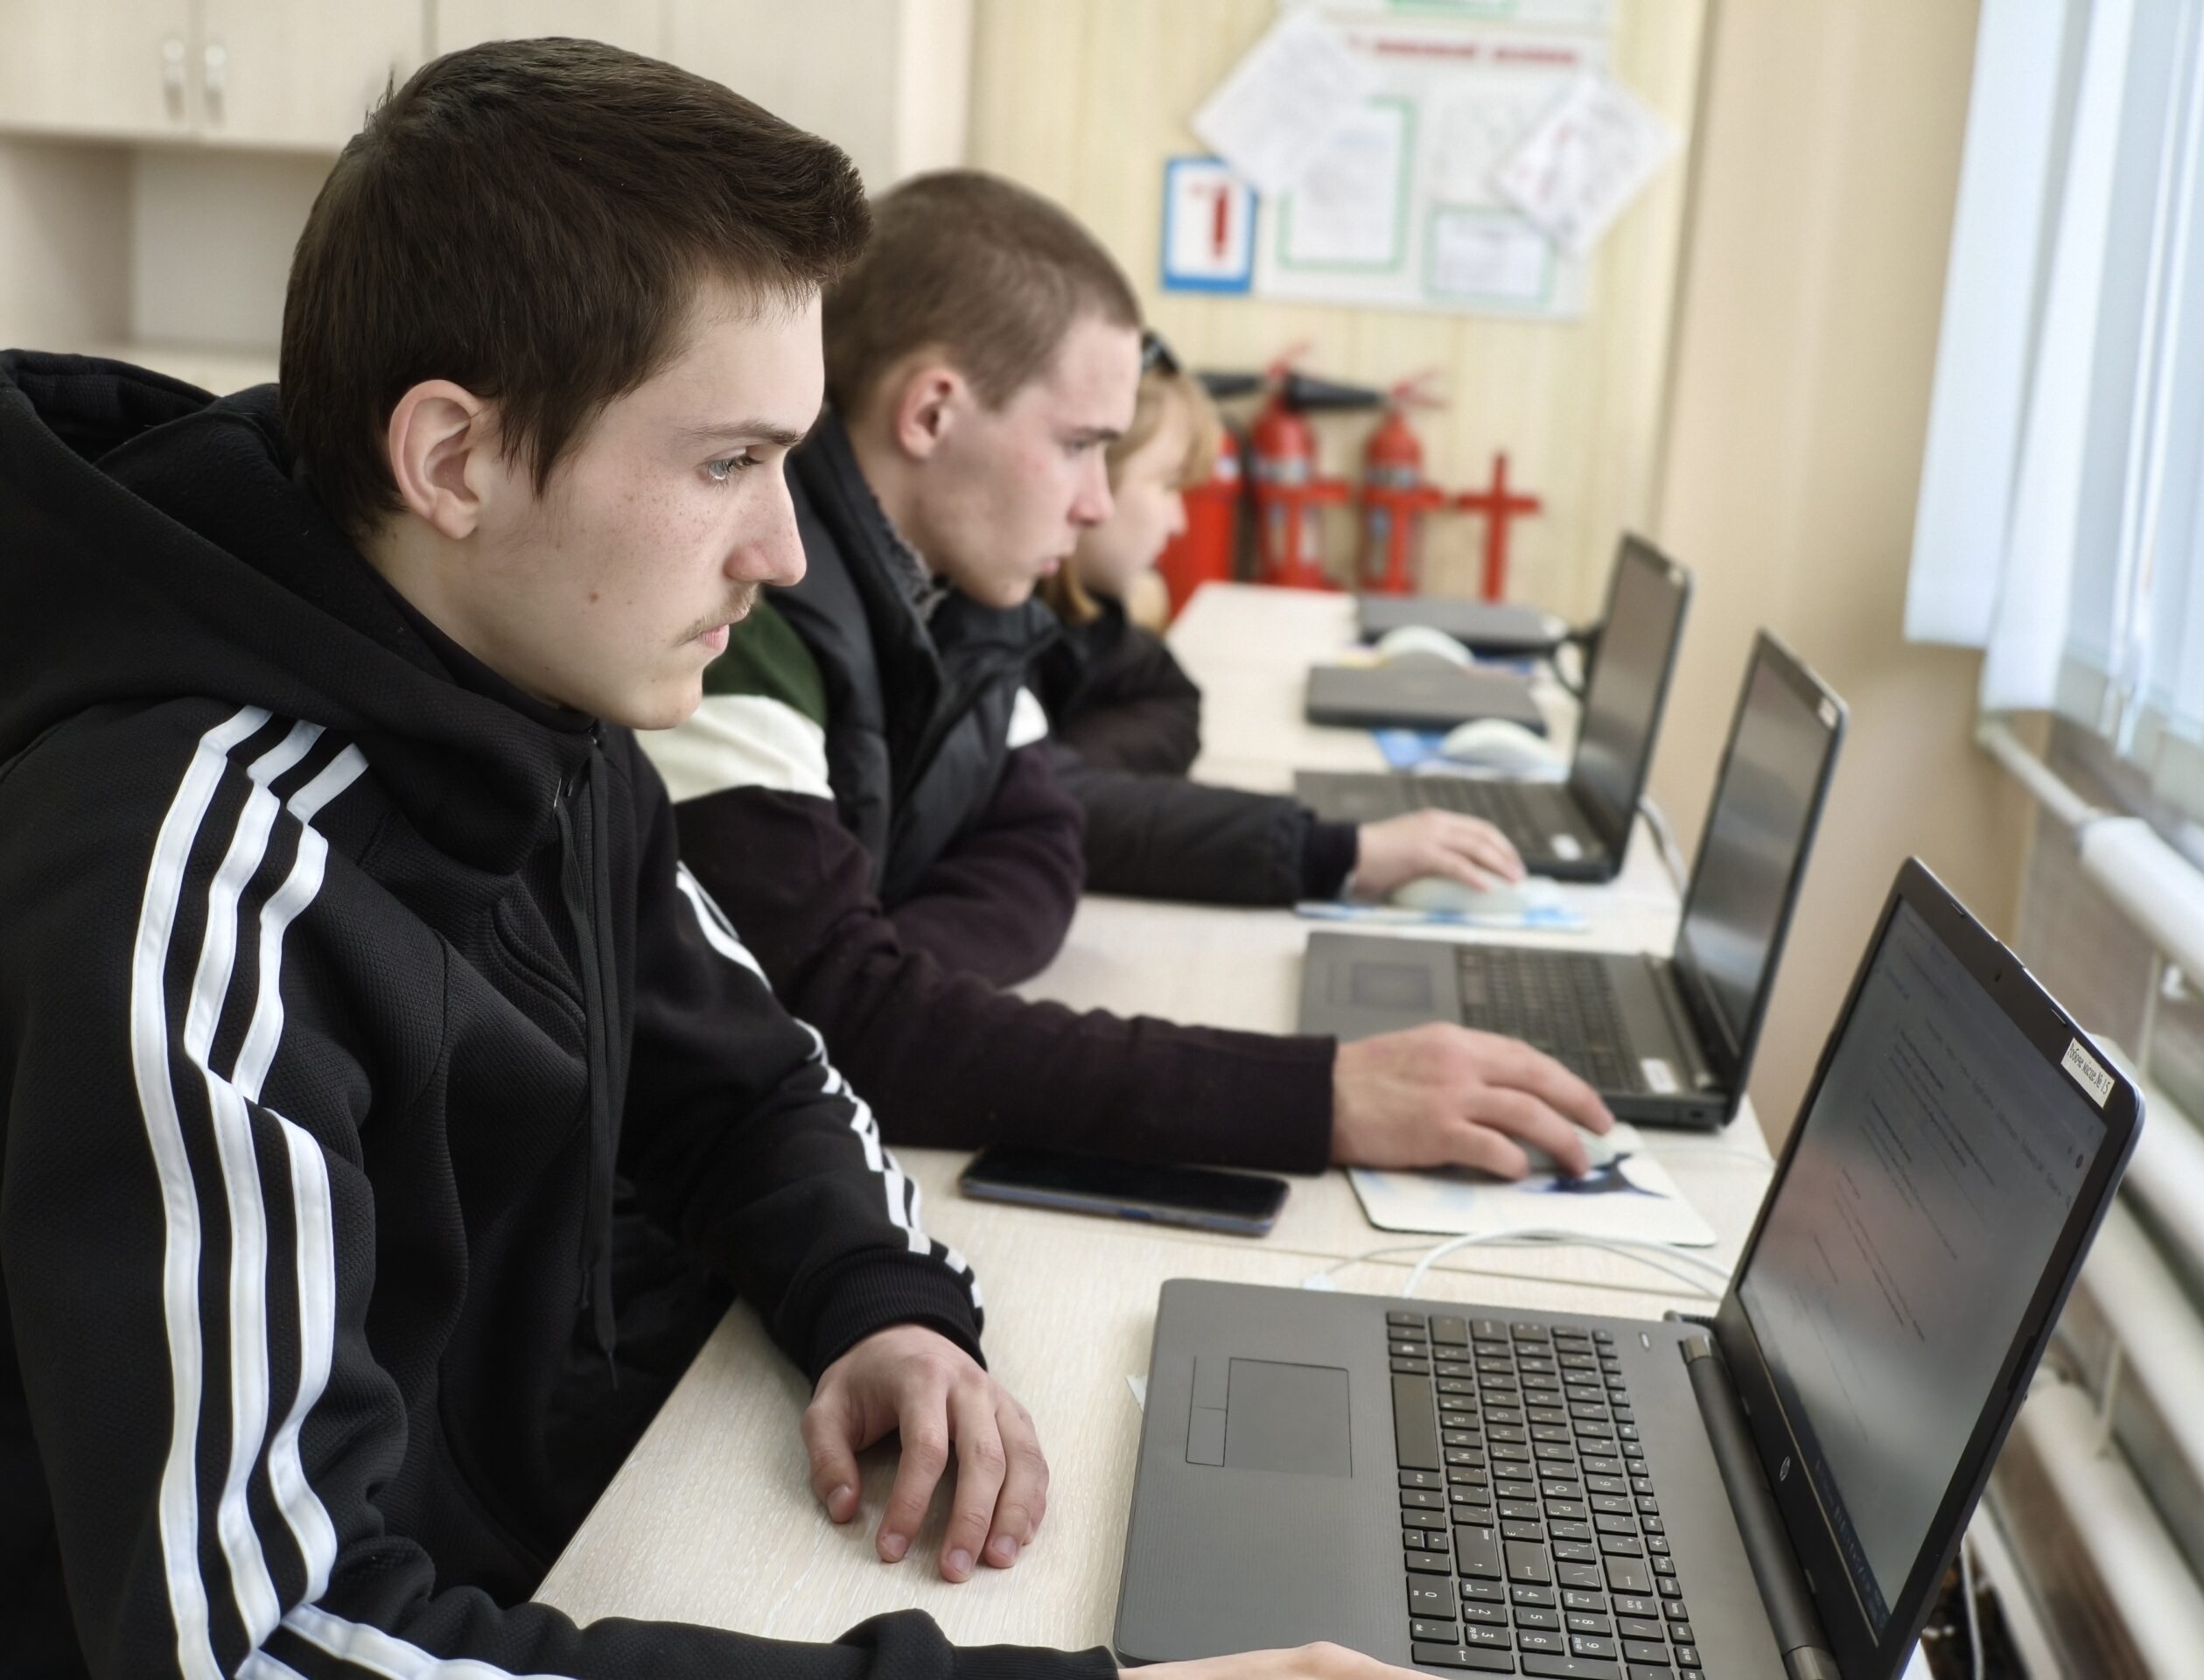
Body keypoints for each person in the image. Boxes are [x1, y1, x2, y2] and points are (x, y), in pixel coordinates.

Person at [0, 39, 1415, 1680]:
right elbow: (265, 1649)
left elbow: (750, 1078)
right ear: (453, 461)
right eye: (728, 461)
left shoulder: (544, 700)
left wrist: (879, 1297)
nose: (788, 550)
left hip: (542, 1543)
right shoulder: (194, 879)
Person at [643, 170, 1614, 1182]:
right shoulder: (743, 619)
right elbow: (835, 1025)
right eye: (1079, 446)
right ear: (930, 413)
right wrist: (1318, 1098)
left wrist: (896, 980)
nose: (1098, 504)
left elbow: (1040, 837)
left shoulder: (962, 599)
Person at [1030, 332, 1523, 906]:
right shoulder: (991, 628)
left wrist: (1070, 770)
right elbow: (1049, 805)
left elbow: (1167, 700)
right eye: (1167, 485)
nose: (1179, 522)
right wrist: (1341, 853)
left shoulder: (1083, 624)